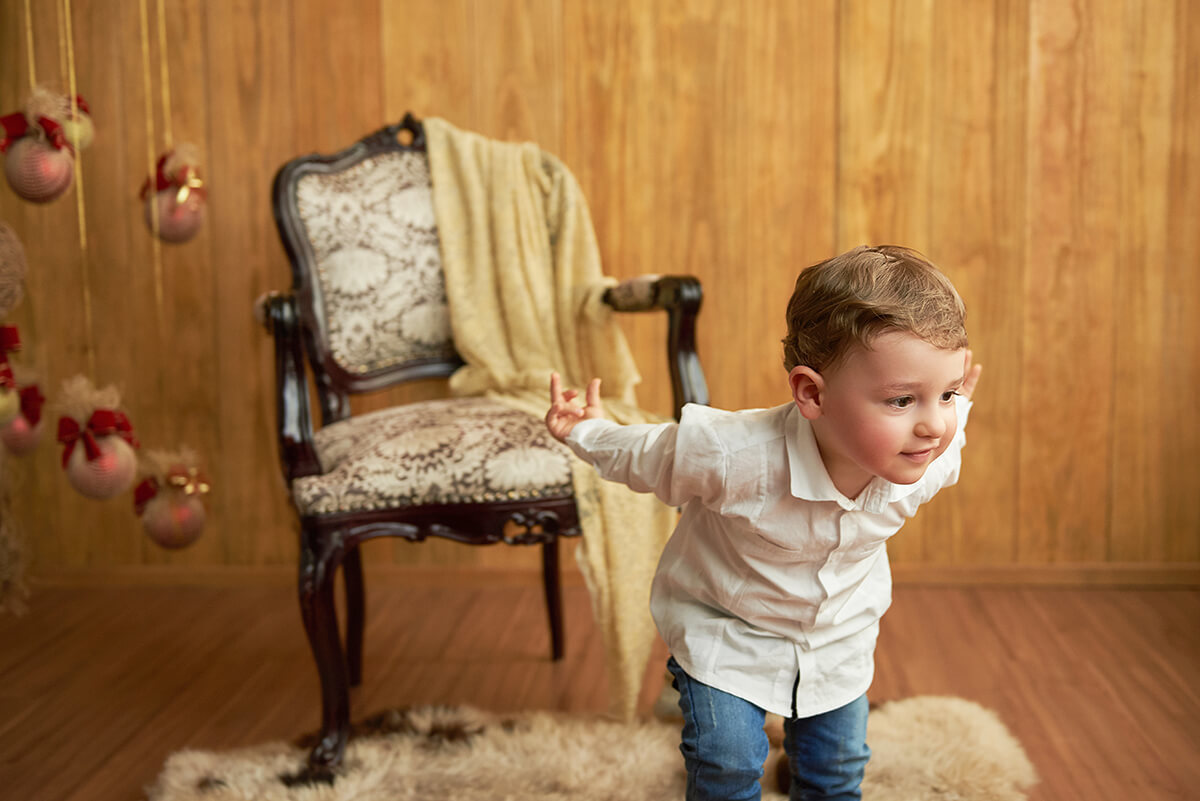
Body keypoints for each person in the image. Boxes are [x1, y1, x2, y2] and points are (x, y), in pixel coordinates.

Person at [545, 245, 983, 801]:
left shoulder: (927, 461)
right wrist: (585, 432)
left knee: (838, 771)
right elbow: (649, 454)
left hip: (837, 635)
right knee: (725, 762)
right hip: (725, 628)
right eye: (902, 400)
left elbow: (954, 428)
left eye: (943, 394)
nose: (932, 427)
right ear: (812, 394)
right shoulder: (734, 454)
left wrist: (958, 401)